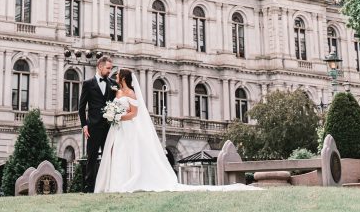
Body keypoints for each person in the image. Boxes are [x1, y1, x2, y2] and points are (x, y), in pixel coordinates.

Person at [94, 68, 252, 193]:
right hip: (118, 129)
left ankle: (126, 182)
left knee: (128, 153)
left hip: (127, 127)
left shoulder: (131, 93)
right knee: (117, 153)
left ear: (122, 78)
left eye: (117, 76)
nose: (115, 77)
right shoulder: (118, 92)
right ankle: (115, 182)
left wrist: (119, 117)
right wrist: (112, 115)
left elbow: (134, 113)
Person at [77, 55, 117, 193]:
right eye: (108, 68)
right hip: (93, 127)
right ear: (100, 67)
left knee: (109, 157)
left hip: (109, 127)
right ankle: (89, 188)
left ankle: (109, 185)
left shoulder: (113, 84)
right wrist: (84, 125)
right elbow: (81, 107)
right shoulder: (88, 84)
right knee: (91, 158)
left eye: (111, 68)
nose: (110, 71)